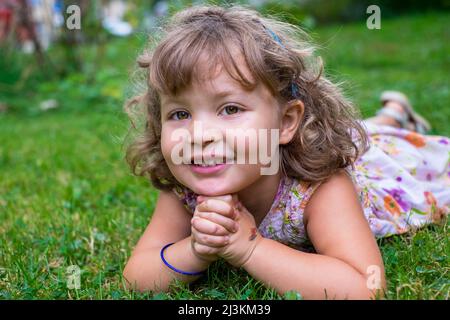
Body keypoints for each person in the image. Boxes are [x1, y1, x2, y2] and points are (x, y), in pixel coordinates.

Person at [122, 5, 449, 300]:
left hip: (375, 164)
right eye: (180, 115)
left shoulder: (321, 187)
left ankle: (394, 114)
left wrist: (249, 247)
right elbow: (135, 278)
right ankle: (391, 112)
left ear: (286, 121)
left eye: (230, 109)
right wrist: (194, 251)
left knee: (375, 140)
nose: (199, 135)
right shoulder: (186, 191)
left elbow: (366, 287)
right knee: (367, 129)